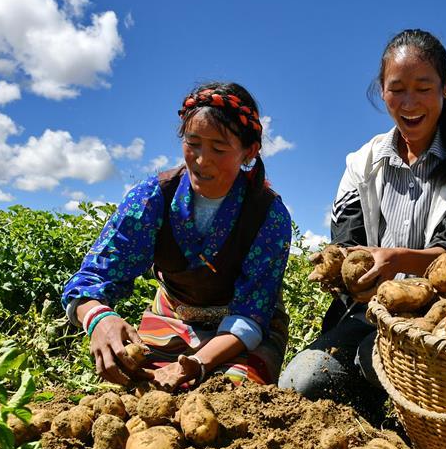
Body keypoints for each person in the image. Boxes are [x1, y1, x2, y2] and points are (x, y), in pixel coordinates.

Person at [278, 29, 446, 418]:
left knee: (384, 368)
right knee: (302, 381)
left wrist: (398, 260)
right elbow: (346, 242)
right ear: (382, 91)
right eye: (397, 89)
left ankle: (396, 412)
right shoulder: (363, 163)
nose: (410, 102)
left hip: (444, 321)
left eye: (423, 87)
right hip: (367, 315)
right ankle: (368, 411)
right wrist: (349, 272)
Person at [62, 82, 292, 391]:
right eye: (193, 142)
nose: (201, 159)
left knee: (233, 397)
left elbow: (251, 313)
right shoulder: (152, 198)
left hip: (244, 333)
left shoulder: (268, 215)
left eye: (219, 149)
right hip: (173, 321)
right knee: (143, 390)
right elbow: (93, 277)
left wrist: (197, 364)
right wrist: (98, 318)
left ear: (249, 151)